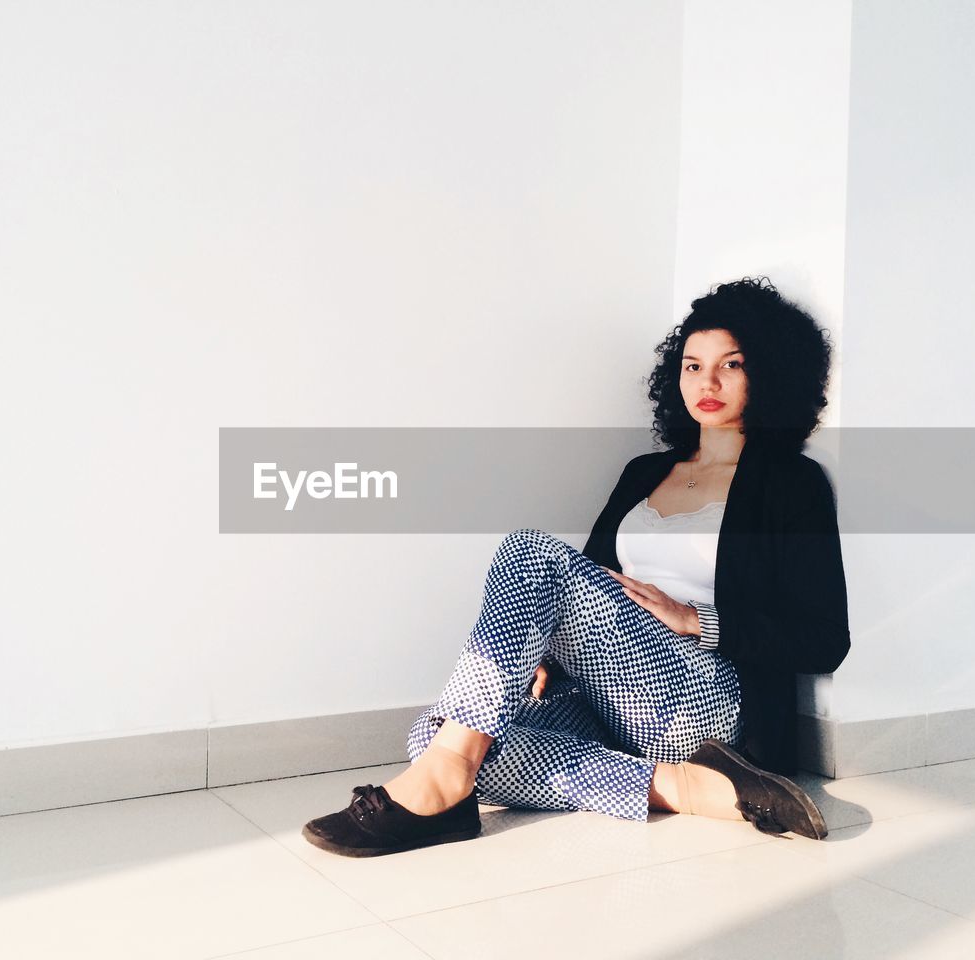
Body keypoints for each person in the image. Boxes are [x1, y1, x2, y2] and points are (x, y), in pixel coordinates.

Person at [302, 277, 851, 857]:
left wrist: (695, 619)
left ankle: (447, 784)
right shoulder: (645, 471)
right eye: (692, 366)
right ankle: (686, 787)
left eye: (730, 365)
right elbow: (586, 583)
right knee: (433, 735)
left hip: (708, 700)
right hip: (612, 700)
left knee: (528, 552)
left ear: (767, 373)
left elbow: (824, 641)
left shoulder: (791, 484)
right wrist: (540, 654)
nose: (707, 383)